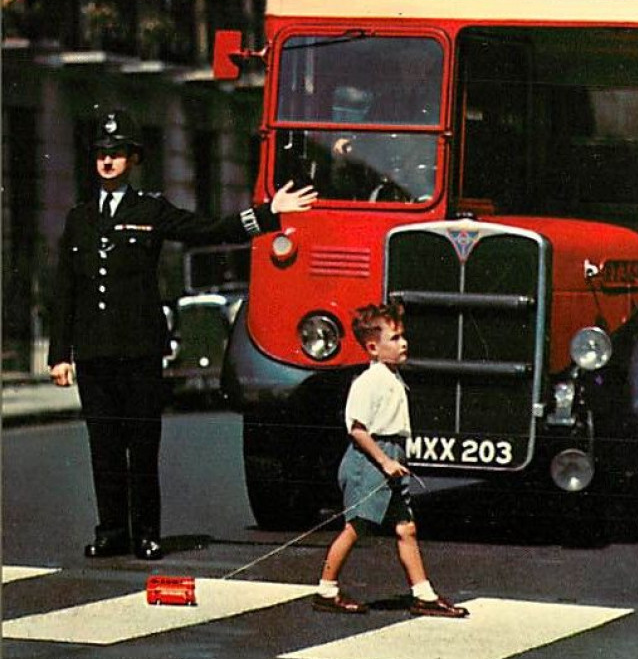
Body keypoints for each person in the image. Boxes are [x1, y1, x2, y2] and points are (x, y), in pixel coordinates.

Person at [48, 109, 317, 562]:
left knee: (141, 445)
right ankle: (111, 531)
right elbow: (65, 291)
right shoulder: (78, 218)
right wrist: (61, 354)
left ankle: (146, 534)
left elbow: (207, 230)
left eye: (116, 154)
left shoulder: (150, 210)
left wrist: (269, 213)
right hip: (95, 352)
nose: (108, 161)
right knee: (104, 448)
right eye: (101, 154)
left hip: (138, 349)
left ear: (133, 159)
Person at [313, 303, 469, 618]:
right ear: (372, 347)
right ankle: (326, 590)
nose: (403, 343)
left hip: (392, 455)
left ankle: (423, 594)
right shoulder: (368, 383)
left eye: (403, 337)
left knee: (405, 528)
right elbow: (358, 430)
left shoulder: (392, 378)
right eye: (395, 338)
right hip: (369, 461)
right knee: (357, 526)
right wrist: (385, 462)